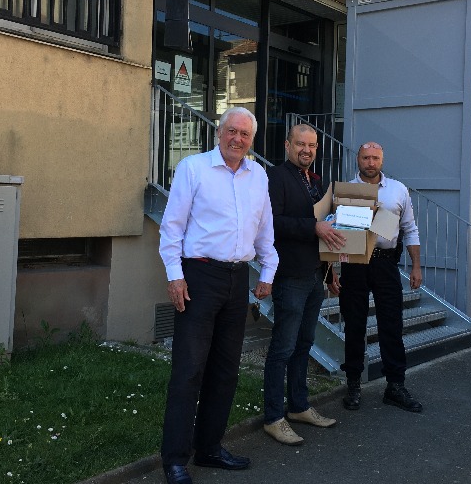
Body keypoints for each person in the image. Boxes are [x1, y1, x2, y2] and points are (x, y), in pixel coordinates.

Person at [158, 107, 279, 484]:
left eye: (244, 134)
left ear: (251, 140)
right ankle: (175, 459)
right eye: (231, 131)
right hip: (199, 277)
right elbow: (171, 228)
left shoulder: (258, 175)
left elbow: (265, 229)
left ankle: (209, 447)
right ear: (218, 132)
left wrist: (268, 271)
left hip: (237, 278)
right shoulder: (193, 169)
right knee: (189, 370)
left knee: (225, 370)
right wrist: (175, 277)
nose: (237, 139)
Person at [262, 124, 347, 446]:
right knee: (282, 348)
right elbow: (271, 222)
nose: (306, 150)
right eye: (300, 144)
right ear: (288, 145)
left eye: (311, 145)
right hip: (290, 275)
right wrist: (313, 227)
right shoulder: (275, 177)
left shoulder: (315, 180)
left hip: (315, 275)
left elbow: (326, 227)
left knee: (304, 344)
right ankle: (273, 417)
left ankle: (298, 406)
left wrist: (330, 270)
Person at [338, 141, 423, 413]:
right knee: (354, 324)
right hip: (354, 263)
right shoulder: (346, 190)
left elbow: (410, 228)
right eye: (366, 158)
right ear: (358, 159)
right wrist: (333, 270)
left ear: (382, 160)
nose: (370, 163)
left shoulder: (398, 189)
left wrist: (416, 266)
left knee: (391, 324)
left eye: (375, 158)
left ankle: (395, 386)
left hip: (386, 263)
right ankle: (353, 384)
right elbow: (336, 233)